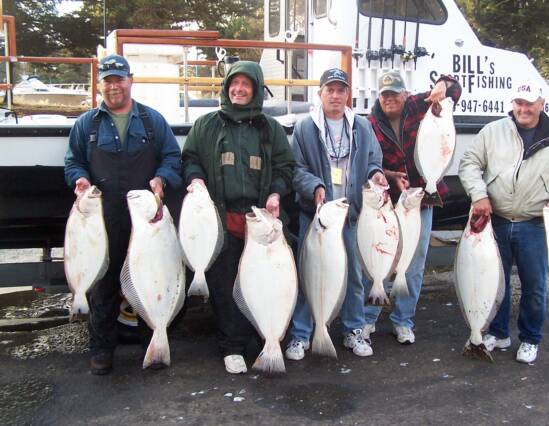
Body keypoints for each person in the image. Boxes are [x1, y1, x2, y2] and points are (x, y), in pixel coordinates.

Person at [64, 54, 182, 375]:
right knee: (103, 285)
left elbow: (172, 157)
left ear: (131, 80)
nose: (114, 86)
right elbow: (73, 161)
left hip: (145, 221)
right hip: (104, 219)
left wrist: (162, 178)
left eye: (119, 79)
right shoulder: (86, 124)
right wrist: (79, 178)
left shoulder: (152, 121)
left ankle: (152, 343)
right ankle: (102, 350)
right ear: (99, 84)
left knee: (149, 280)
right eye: (107, 80)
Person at [181, 61, 295, 374]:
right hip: (222, 219)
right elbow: (190, 158)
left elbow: (286, 168)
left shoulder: (269, 128)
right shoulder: (206, 125)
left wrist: (275, 193)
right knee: (225, 284)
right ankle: (231, 346)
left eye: (246, 84)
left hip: (261, 223)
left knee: (264, 284)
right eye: (234, 84)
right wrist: (195, 179)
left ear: (256, 89)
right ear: (226, 87)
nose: (239, 89)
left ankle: (264, 340)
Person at [458, 80, 549, 363]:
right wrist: (479, 195)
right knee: (494, 282)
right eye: (518, 103)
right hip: (495, 221)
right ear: (512, 104)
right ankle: (498, 333)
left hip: (535, 223)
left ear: (542, 104)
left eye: (529, 103)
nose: (523, 109)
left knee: (535, 285)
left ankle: (530, 338)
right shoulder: (492, 131)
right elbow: (469, 164)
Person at [284, 68, 388, 361]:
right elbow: (297, 170)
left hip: (352, 215)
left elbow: (373, 161)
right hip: (317, 216)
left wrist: (377, 175)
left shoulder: (363, 127)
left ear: (347, 95)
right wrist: (315, 186)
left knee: (353, 276)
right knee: (310, 275)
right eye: (330, 89)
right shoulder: (305, 128)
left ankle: (353, 330)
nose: (335, 95)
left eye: (341, 90)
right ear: (320, 94)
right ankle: (301, 333)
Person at [363, 71, 462, 345]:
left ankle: (403, 320)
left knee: (413, 264)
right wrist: (389, 174)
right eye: (385, 94)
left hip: (422, 197)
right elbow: (365, 161)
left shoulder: (422, 105)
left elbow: (455, 91)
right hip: (387, 202)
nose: (390, 99)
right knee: (377, 259)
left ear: (405, 94)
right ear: (378, 97)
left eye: (395, 93)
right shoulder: (369, 124)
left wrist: (444, 84)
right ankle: (367, 319)